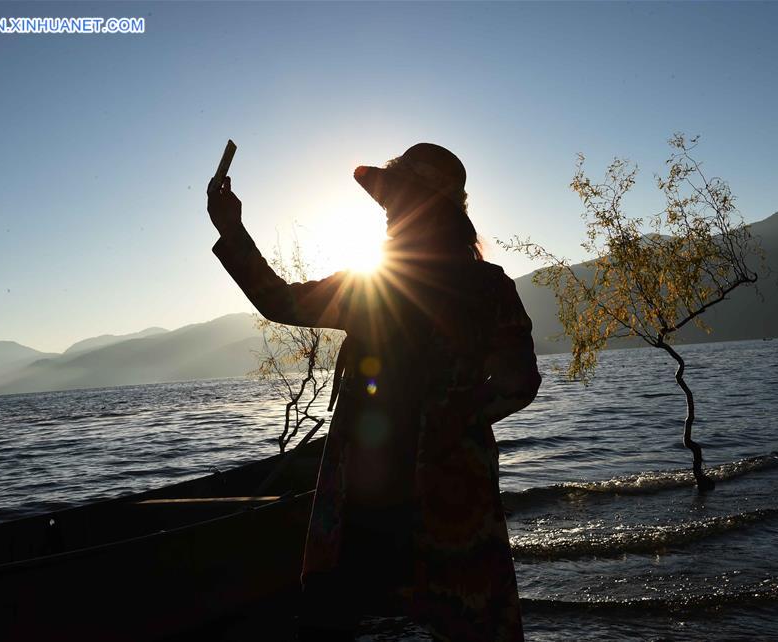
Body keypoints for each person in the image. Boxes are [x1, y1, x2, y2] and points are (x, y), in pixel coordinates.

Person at [207, 143, 541, 641]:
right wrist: (461, 417)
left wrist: (232, 231)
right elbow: (519, 384)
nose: (390, 215)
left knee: (367, 614)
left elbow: (279, 300)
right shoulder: (488, 287)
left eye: (397, 204)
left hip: (389, 502)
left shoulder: (376, 285)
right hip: (438, 499)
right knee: (456, 617)